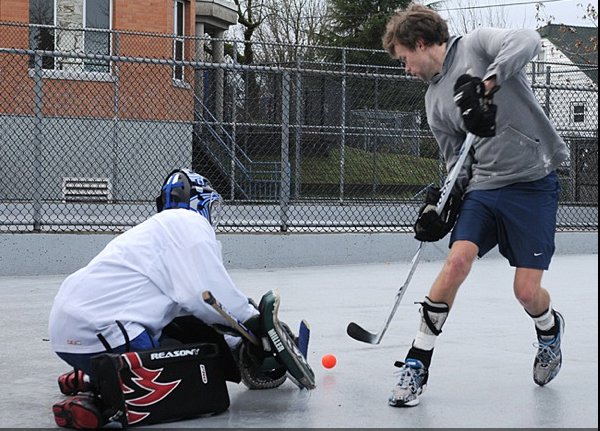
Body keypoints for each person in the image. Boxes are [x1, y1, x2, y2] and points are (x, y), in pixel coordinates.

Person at [381, 4, 569, 407]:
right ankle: (417, 362)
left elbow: (528, 40)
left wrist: (485, 84)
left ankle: (549, 329)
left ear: (419, 43)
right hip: (485, 187)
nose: (406, 69)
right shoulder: (434, 102)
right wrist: (442, 207)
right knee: (456, 262)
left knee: (526, 292)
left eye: (404, 59)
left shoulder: (478, 45)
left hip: (533, 183)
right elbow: (457, 163)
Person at [48, 168, 313, 429]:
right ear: (197, 200)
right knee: (200, 379)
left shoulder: (157, 230)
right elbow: (207, 293)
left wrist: (234, 339)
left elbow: (193, 312)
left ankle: (90, 375)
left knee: (181, 338)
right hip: (102, 330)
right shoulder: (188, 223)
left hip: (77, 330)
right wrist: (251, 323)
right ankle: (102, 402)